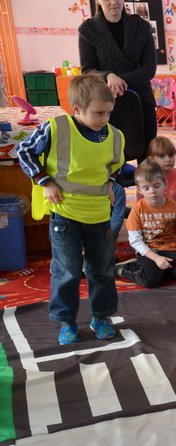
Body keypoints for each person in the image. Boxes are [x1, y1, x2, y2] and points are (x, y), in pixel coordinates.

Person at [15, 74, 125, 345]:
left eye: (108, 113)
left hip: (99, 215)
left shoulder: (115, 135)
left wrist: (110, 183)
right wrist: (45, 181)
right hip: (65, 216)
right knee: (67, 271)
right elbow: (24, 151)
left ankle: (101, 317)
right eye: (98, 113)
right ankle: (67, 322)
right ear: (77, 109)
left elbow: (115, 165)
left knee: (102, 270)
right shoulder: (56, 128)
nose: (104, 119)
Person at [78, 0, 157, 163]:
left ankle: (145, 182)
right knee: (112, 156)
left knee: (147, 156)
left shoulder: (142, 27)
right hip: (106, 103)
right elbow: (87, 70)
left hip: (142, 98)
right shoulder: (88, 30)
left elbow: (149, 68)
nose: (113, 2)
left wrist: (120, 80)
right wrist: (108, 76)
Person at [117, 160, 176, 288]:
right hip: (149, 251)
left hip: (171, 248)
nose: (152, 191)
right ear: (139, 190)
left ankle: (161, 270)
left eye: (156, 186)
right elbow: (135, 241)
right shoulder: (137, 210)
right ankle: (127, 268)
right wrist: (156, 258)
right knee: (150, 281)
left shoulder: (174, 207)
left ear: (165, 184)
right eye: (146, 188)